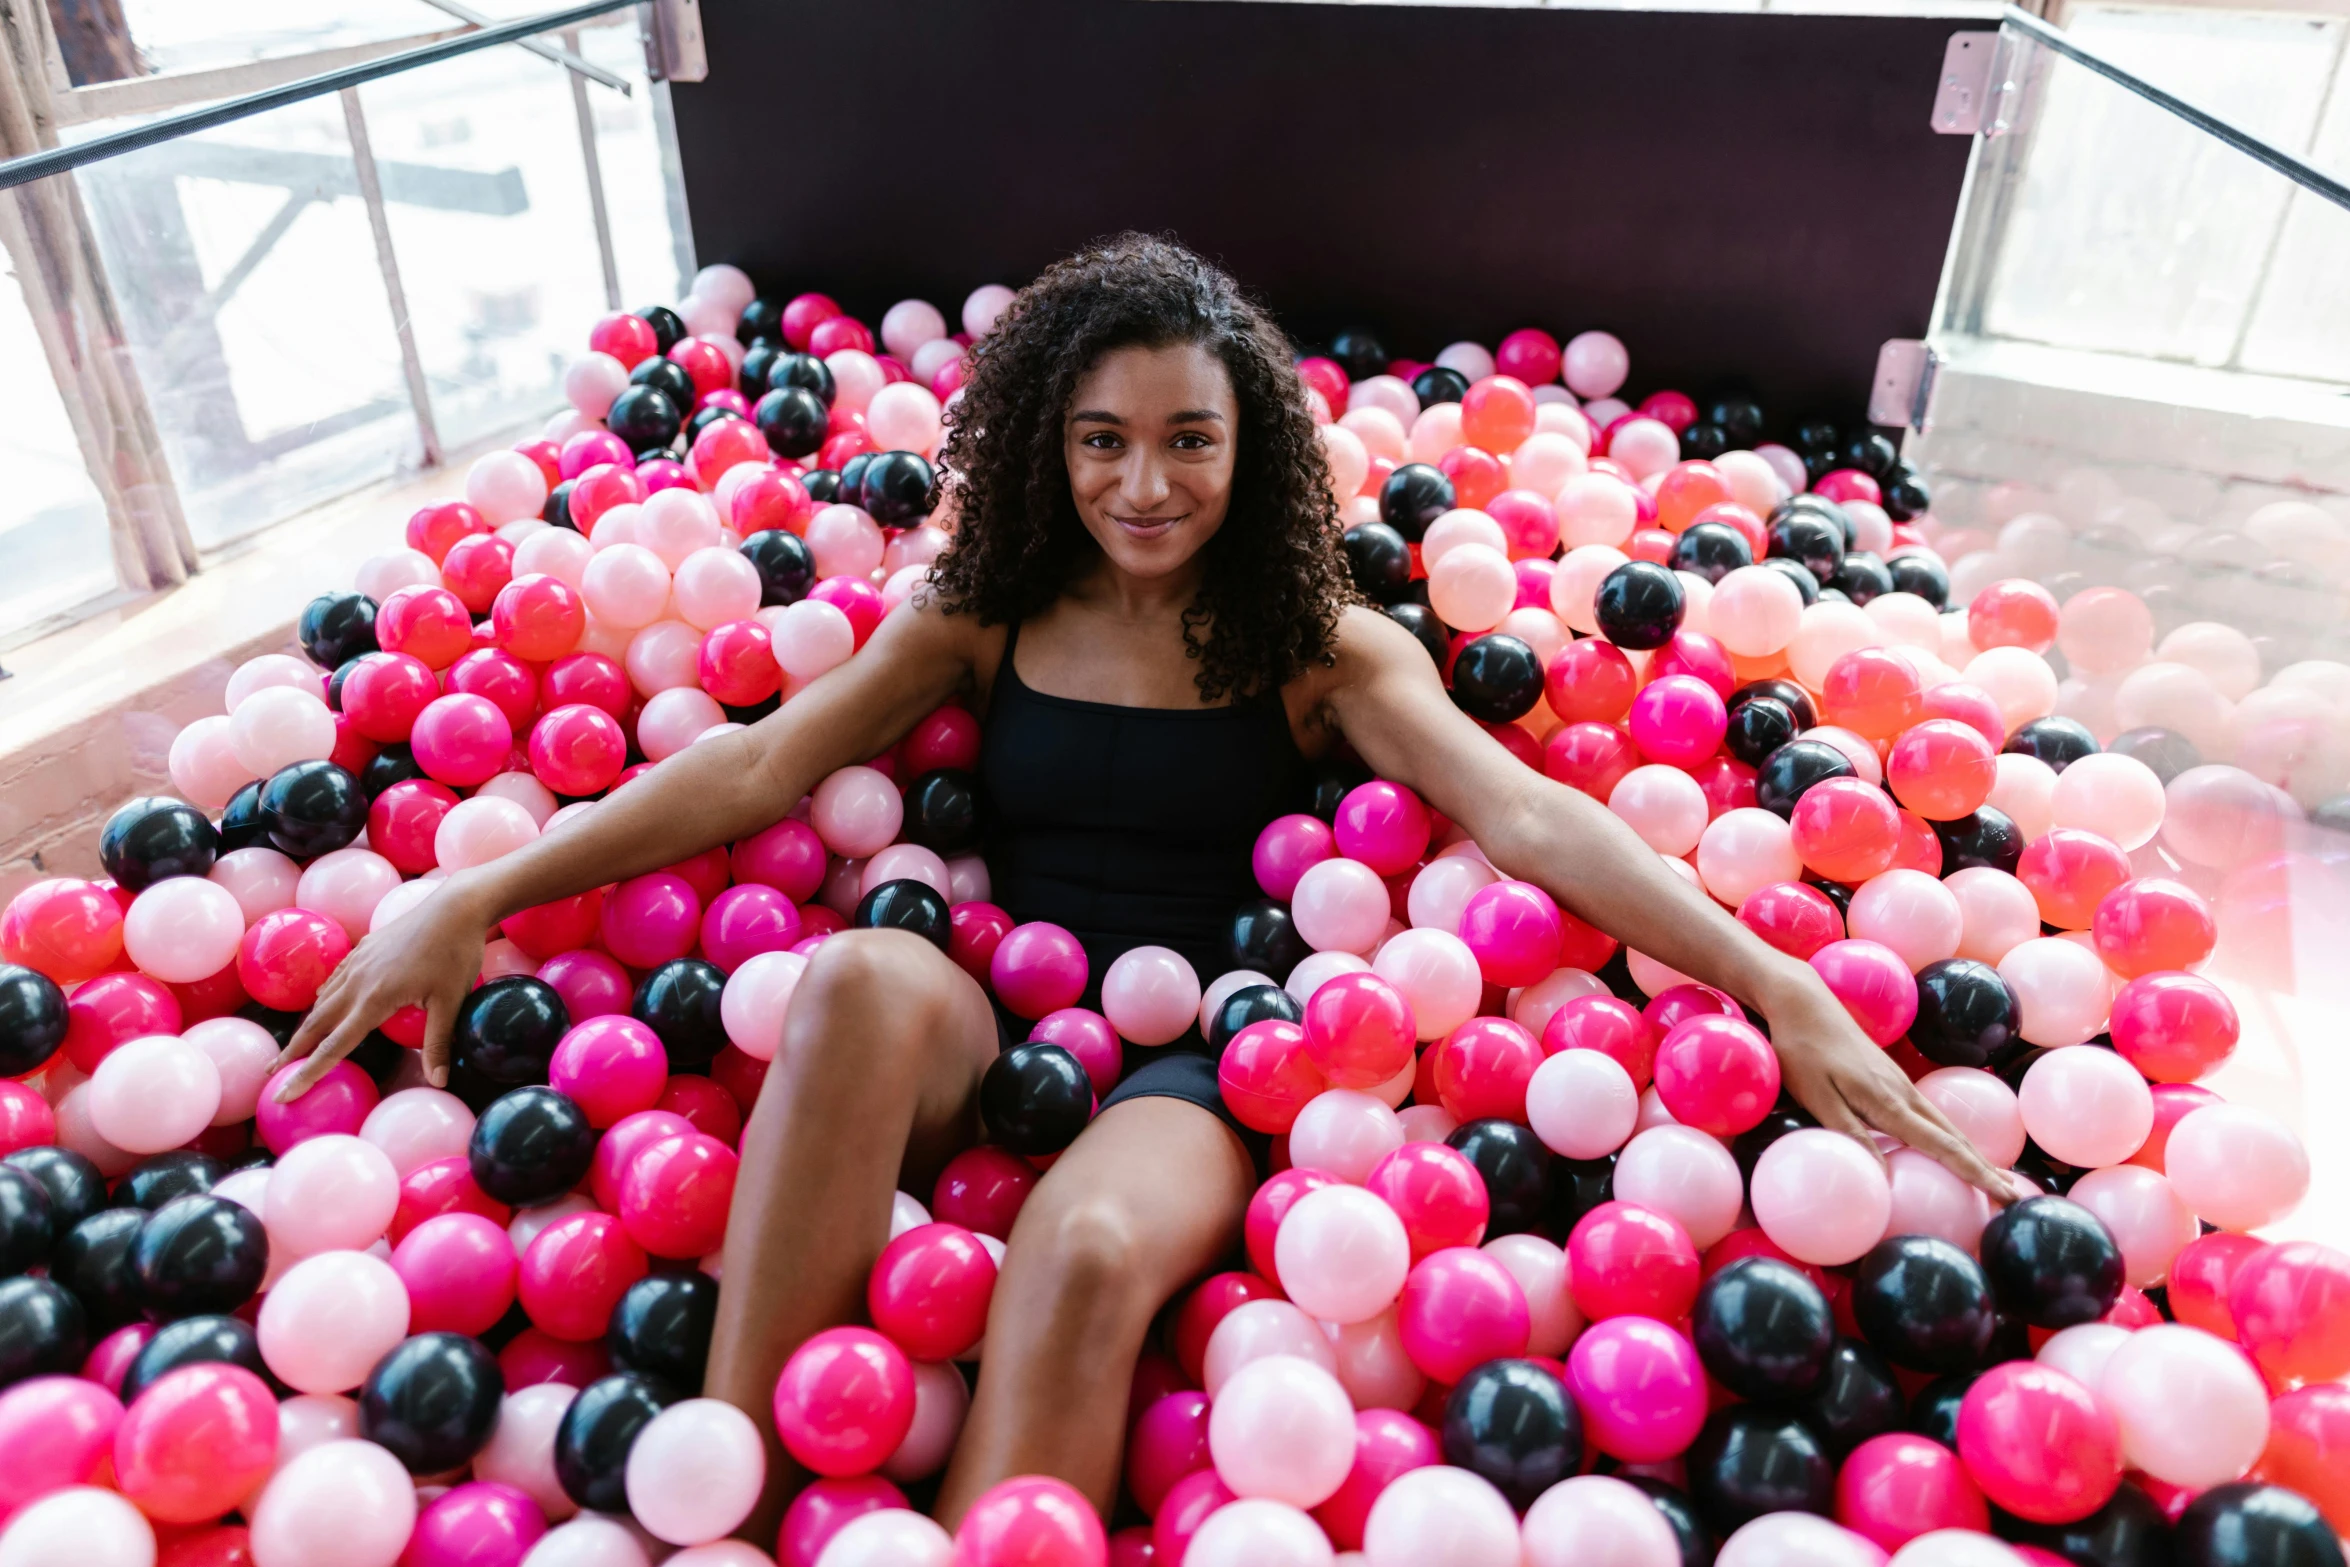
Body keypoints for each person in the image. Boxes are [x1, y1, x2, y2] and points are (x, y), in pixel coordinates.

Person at [278, 234, 2021, 1533]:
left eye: (1188, 439)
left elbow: (1534, 824)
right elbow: (754, 763)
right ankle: (726, 1488)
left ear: (1248, 444)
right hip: (996, 994)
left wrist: (1778, 981)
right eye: (1102, 439)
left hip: (1207, 1042)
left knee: (1089, 1243)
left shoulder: (1314, 642)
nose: (1144, 480)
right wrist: (471, 891)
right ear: (1048, 439)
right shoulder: (978, 610)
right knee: (861, 980)